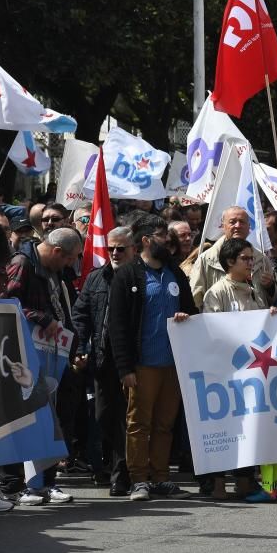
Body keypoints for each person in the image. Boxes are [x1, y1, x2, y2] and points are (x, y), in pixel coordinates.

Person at [108, 215, 196, 502]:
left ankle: (161, 478)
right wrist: (125, 367)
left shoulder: (176, 273)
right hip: (142, 365)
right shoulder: (127, 275)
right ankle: (138, 480)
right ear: (145, 241)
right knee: (138, 424)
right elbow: (118, 325)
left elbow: (191, 311)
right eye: (161, 235)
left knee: (164, 425)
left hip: (172, 365)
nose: (168, 240)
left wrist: (187, 317)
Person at [0, 226, 84, 506]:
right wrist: (40, 317)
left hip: (49, 357)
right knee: (20, 422)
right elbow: (4, 303)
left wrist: (74, 346)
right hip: (21, 357)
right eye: (70, 258)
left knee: (49, 422)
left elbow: (62, 310)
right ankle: (16, 486)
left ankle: (46, 483)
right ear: (57, 251)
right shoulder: (22, 264)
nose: (71, 264)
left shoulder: (54, 270)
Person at [201, 237, 277, 501]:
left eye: (252, 258)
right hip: (227, 372)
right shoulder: (217, 292)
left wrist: (271, 314)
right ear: (229, 262)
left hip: (253, 373)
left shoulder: (254, 288)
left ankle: (245, 481)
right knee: (223, 427)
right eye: (246, 259)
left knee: (249, 426)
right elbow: (213, 330)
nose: (251, 263)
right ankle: (217, 483)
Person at [73, 226, 137, 497]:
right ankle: (111, 465)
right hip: (102, 361)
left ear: (134, 250)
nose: (114, 253)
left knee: (129, 420)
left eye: (121, 248)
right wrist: (79, 346)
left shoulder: (142, 279)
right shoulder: (96, 278)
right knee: (103, 417)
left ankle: (122, 474)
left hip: (134, 363)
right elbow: (81, 315)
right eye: (110, 248)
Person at [189, 206, 276, 308]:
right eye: (232, 222)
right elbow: (195, 299)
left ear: (249, 227)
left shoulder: (261, 259)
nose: (237, 226)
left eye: (242, 222)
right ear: (223, 226)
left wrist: (270, 287)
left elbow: (272, 301)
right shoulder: (206, 259)